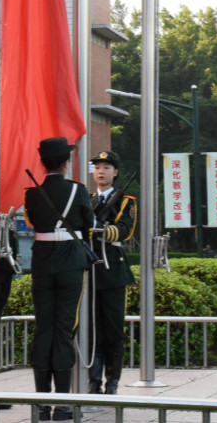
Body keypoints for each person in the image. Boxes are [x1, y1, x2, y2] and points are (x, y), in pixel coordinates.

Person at [24, 137, 93, 421]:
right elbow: (88, 224)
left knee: (44, 328)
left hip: (42, 264)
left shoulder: (32, 194)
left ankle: (42, 404)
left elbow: (31, 222)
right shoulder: (78, 190)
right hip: (71, 265)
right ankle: (63, 404)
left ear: (42, 162)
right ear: (66, 162)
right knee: (64, 329)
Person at [88, 150, 136, 395]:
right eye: (97, 167)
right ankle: (93, 382)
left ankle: (112, 382)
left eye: (106, 167)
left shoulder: (125, 201)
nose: (101, 172)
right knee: (91, 329)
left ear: (115, 172)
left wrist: (100, 229)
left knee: (114, 331)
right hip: (89, 271)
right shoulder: (86, 200)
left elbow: (124, 231)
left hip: (112, 270)